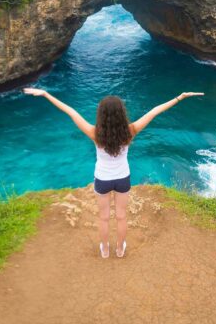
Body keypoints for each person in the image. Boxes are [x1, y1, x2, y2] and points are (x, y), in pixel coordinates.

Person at [22, 88, 204, 258]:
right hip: (122, 178)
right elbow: (155, 111)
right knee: (121, 216)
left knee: (103, 217)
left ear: (101, 114)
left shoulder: (95, 133)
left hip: (102, 179)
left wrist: (46, 94)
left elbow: (71, 112)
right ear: (121, 113)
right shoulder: (130, 131)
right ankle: (119, 248)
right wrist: (180, 97)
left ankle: (104, 248)